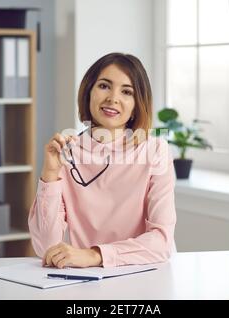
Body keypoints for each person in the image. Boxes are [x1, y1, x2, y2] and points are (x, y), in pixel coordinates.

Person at [28, 52, 176, 268]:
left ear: (137, 104)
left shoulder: (155, 150)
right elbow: (46, 247)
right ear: (89, 91)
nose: (113, 98)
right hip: (86, 279)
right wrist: (49, 175)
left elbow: (161, 241)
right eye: (104, 86)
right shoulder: (66, 152)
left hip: (142, 273)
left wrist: (96, 255)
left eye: (127, 92)